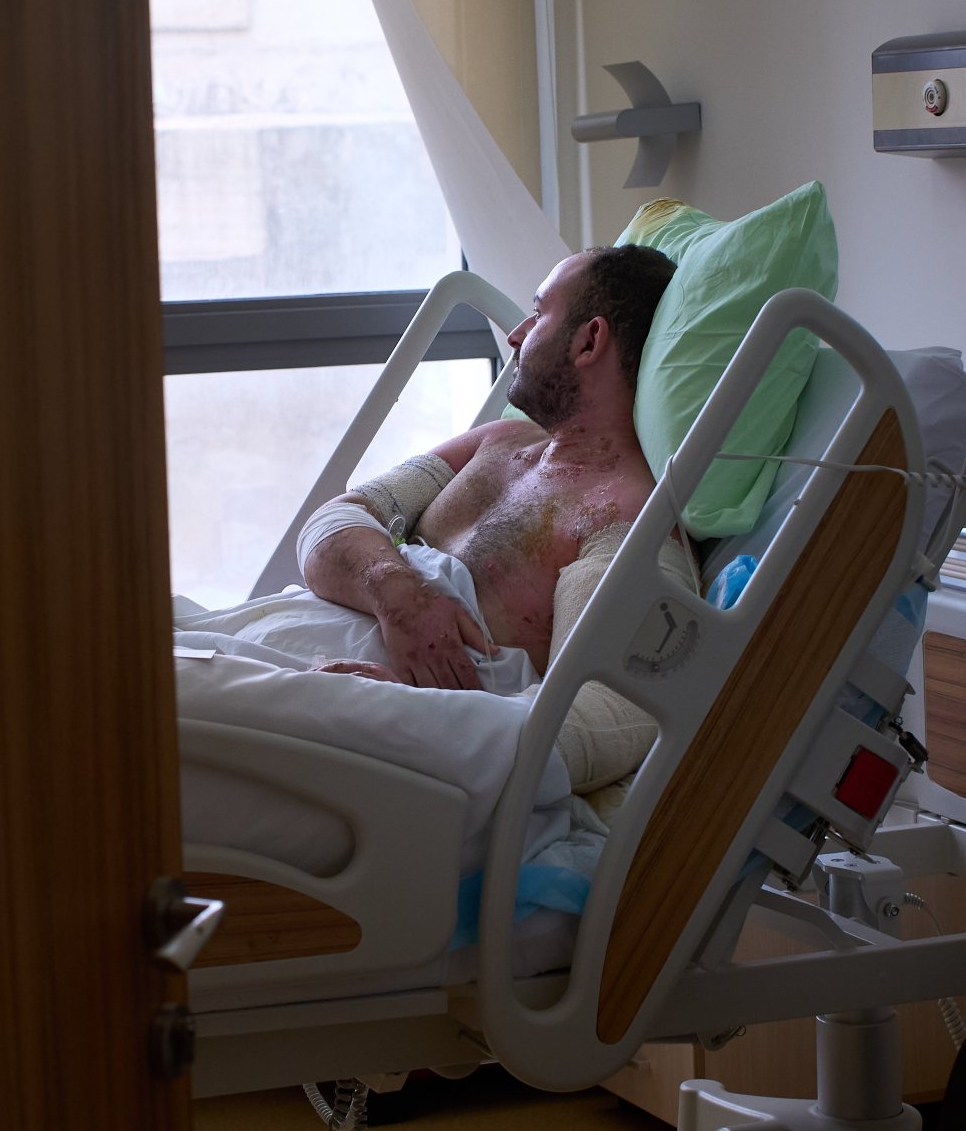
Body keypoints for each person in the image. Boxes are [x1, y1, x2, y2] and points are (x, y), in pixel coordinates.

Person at [296, 242, 701, 793]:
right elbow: (332, 524)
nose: (516, 334)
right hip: (292, 654)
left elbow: (605, 720)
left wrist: (398, 713)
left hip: (352, 727)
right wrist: (399, 596)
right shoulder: (496, 442)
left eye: (538, 314)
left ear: (589, 340)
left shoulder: (627, 518)